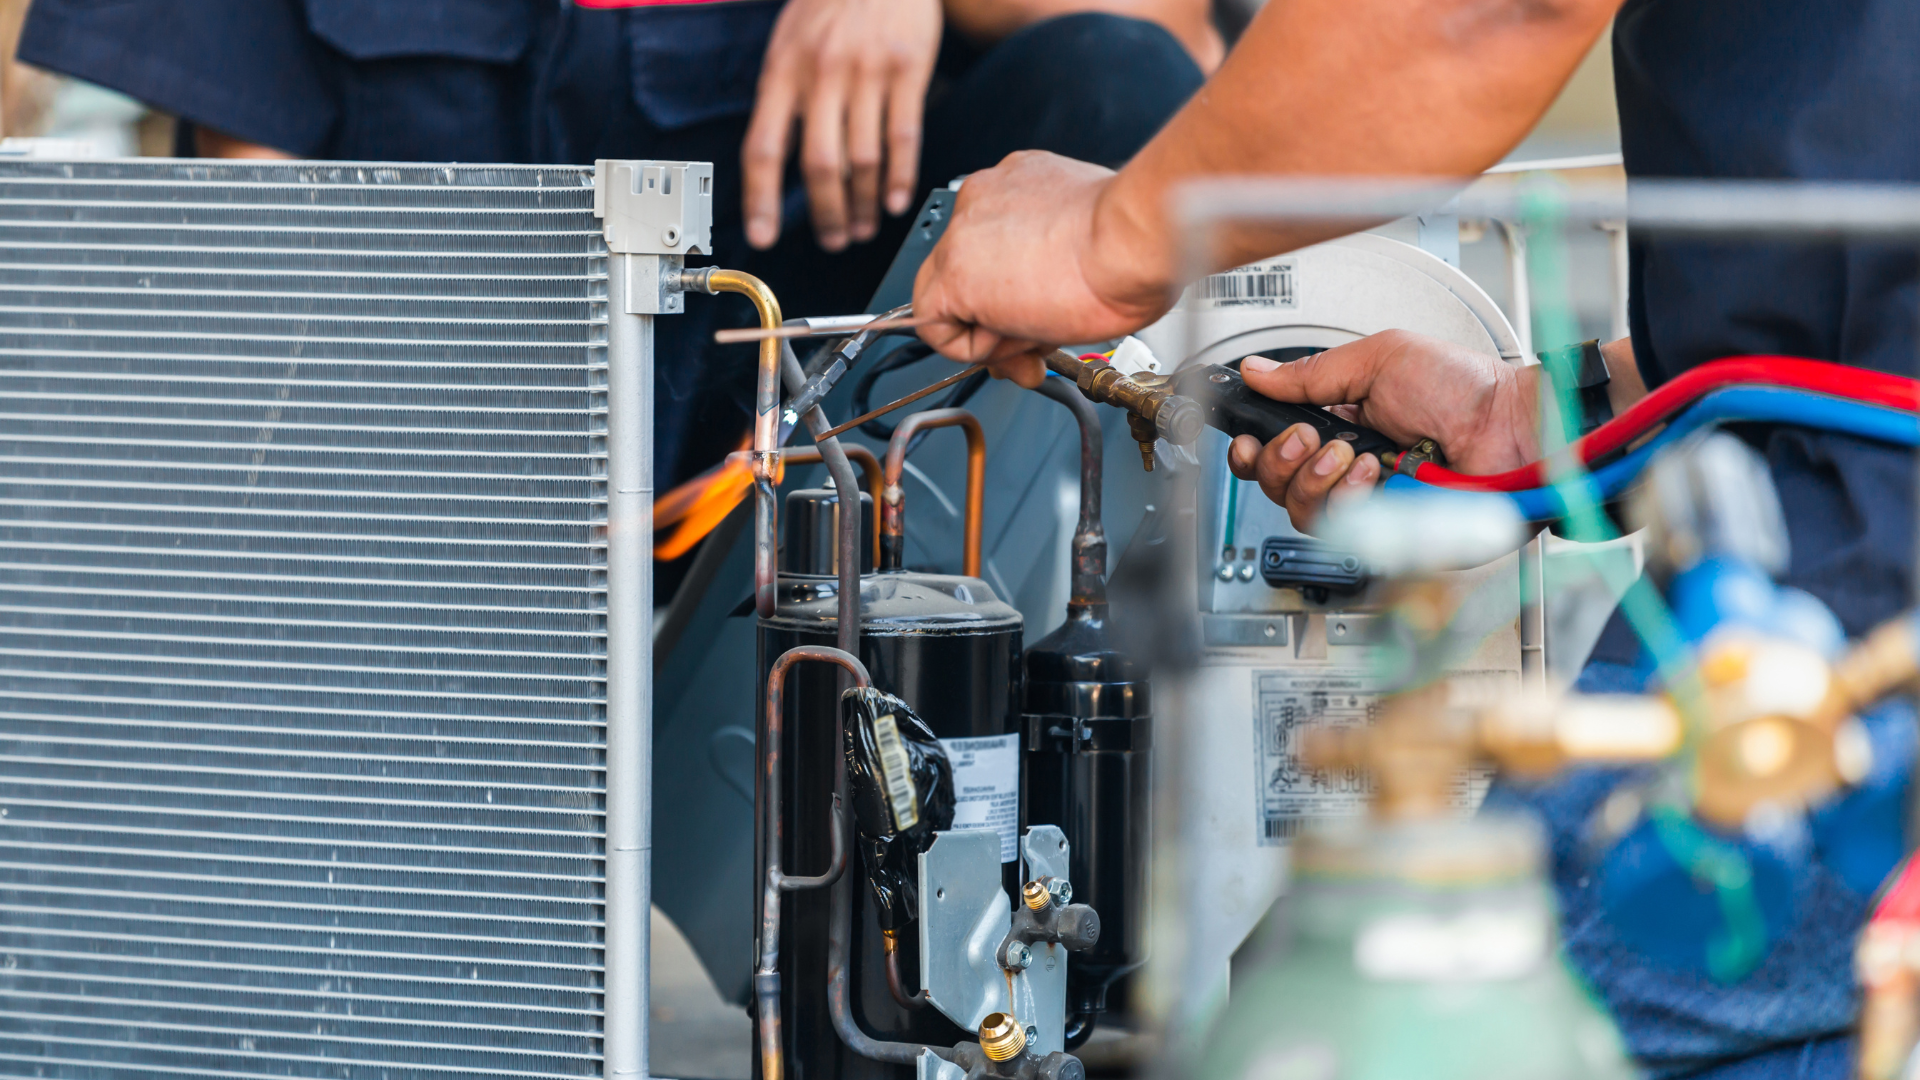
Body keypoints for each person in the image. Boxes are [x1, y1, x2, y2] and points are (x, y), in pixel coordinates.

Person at [910, 0, 1918, 1075]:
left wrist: (1102, 239)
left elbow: (1490, 12)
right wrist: (1525, 412)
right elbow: (1829, 328)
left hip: (1863, 587)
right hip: (1836, 524)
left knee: (1384, 1012)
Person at [13, 0, 1216, 486]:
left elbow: (1172, 58)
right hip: (430, 476)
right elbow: (253, 237)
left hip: (827, 451)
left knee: (1111, 82)